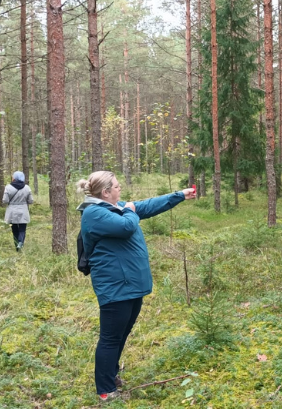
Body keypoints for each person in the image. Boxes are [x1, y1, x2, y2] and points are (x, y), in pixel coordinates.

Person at [76, 171, 196, 401]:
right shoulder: (94, 213)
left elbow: (147, 206)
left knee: (122, 332)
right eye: (117, 187)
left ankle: (111, 375)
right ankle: (105, 390)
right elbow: (126, 226)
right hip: (115, 287)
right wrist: (131, 212)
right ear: (106, 192)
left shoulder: (115, 207)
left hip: (130, 284)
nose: (121, 190)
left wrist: (179, 195)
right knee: (111, 337)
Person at [2, 171, 34, 252]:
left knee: (14, 229)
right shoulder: (27, 187)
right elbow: (31, 201)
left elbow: (5, 201)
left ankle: (17, 247)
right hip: (23, 210)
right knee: (22, 229)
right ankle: (20, 242)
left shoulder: (8, 187)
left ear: (14, 178)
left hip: (12, 211)